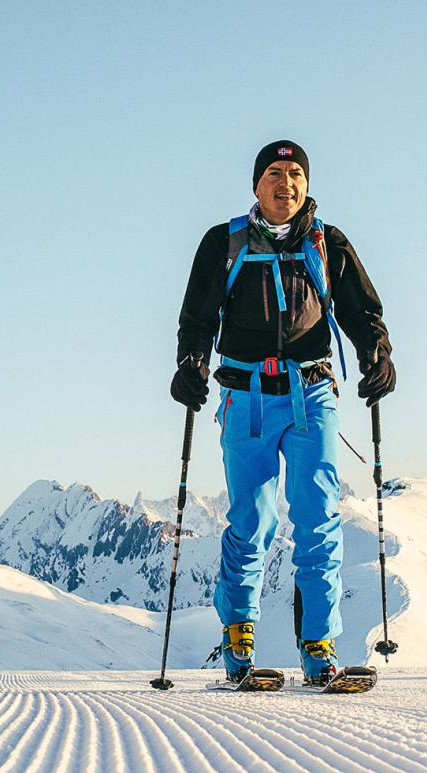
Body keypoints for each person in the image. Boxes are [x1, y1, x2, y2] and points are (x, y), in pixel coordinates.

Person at [171, 140, 395, 686]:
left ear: (306, 185)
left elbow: (361, 309)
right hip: (243, 396)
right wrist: (191, 363)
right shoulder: (223, 243)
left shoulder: (327, 242)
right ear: (257, 184)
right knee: (251, 520)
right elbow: (197, 316)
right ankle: (238, 644)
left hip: (311, 391)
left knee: (318, 516)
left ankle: (320, 648)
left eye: (295, 174)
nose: (286, 182)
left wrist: (377, 354)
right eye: (275, 172)